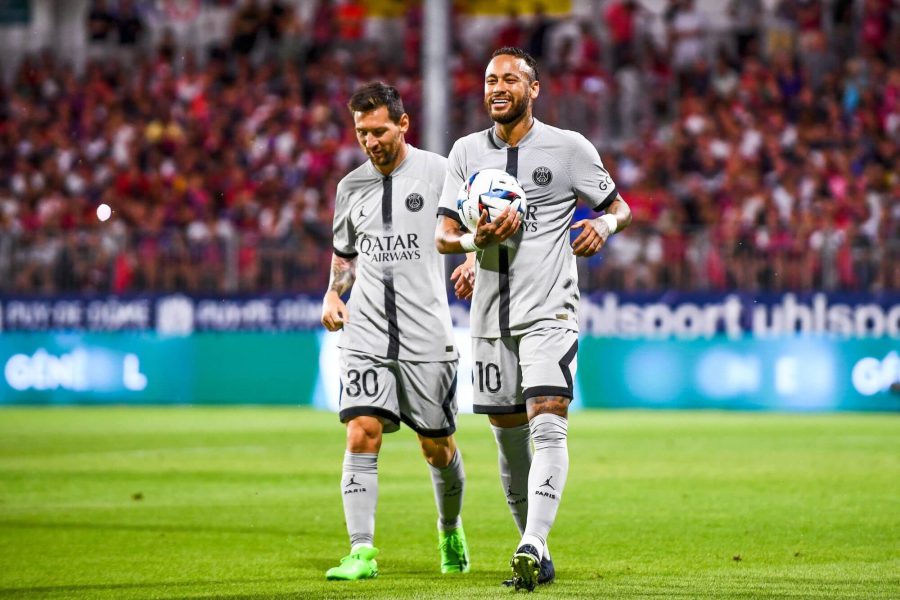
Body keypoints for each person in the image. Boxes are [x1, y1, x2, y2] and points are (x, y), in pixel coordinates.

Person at [435, 47, 632, 591]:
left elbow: (619, 206)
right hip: (489, 317)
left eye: (510, 79)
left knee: (548, 419)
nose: (498, 87)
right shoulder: (465, 152)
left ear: (533, 89)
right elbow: (443, 235)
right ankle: (535, 548)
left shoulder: (569, 149)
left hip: (550, 309)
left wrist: (604, 228)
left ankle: (532, 542)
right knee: (508, 436)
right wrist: (476, 247)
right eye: (490, 79)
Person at [321, 82, 469, 580]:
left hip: (426, 333)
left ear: (403, 124)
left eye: (379, 130)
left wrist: (471, 259)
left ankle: (449, 528)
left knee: (437, 447)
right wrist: (334, 293)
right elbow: (345, 256)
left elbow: (468, 226)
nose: (370, 141)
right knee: (361, 432)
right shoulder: (350, 187)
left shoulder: (440, 172)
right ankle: (361, 551)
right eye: (362, 132)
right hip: (365, 330)